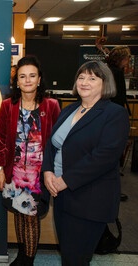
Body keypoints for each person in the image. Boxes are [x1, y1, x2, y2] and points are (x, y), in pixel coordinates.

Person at [42, 60, 130, 265]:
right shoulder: (69, 110)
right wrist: (47, 171)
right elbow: (52, 144)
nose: (84, 82)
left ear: (105, 83)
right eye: (81, 77)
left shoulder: (114, 114)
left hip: (89, 199)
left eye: (92, 78)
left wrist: (66, 180)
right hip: (61, 195)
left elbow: (104, 156)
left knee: (76, 259)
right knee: (68, 255)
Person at [0, 55, 60, 266]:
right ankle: (22, 255)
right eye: (23, 76)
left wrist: (57, 171)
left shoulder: (51, 106)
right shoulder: (7, 106)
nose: (28, 80)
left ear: (39, 79)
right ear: (17, 81)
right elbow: (1, 139)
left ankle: (28, 260)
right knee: (19, 214)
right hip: (15, 173)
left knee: (30, 217)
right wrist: (0, 169)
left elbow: (58, 143)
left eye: (32, 76)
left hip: (38, 176)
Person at [106, 45, 132, 202]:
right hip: (114, 122)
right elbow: (119, 99)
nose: (128, 61)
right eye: (127, 58)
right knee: (113, 159)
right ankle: (112, 192)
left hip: (109, 120)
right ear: (122, 58)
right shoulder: (115, 73)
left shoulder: (108, 71)